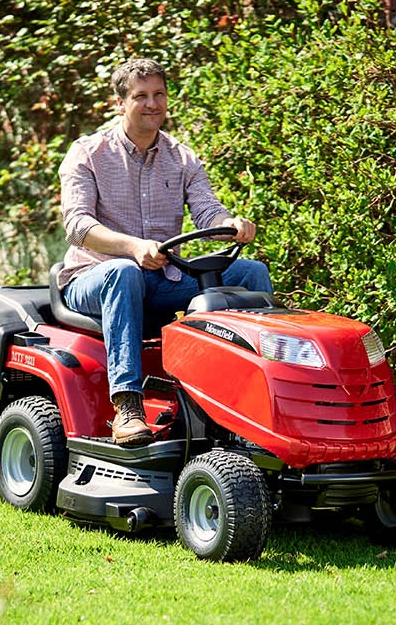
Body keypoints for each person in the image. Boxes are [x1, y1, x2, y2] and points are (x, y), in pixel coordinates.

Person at [59, 57, 272, 446]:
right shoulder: (88, 153)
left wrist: (232, 224)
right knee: (123, 272)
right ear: (119, 103)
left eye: (159, 94)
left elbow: (207, 208)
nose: (152, 104)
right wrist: (132, 247)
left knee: (251, 273)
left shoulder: (183, 157)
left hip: (162, 279)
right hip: (93, 279)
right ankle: (128, 406)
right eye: (141, 96)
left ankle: (250, 401)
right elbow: (77, 227)